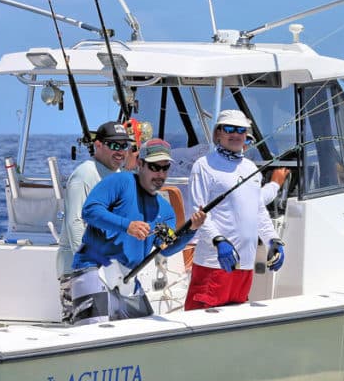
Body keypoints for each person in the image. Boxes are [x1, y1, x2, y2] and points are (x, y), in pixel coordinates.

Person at [68, 138, 206, 325]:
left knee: (148, 332)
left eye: (164, 168)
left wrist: (191, 230)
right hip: (93, 269)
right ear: (140, 164)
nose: (160, 174)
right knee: (93, 335)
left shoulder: (164, 210)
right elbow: (90, 211)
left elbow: (166, 247)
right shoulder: (120, 181)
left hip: (128, 278)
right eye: (154, 167)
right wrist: (127, 225)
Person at [185, 109, 285, 310]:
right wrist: (218, 241)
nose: (236, 134)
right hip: (213, 264)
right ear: (218, 133)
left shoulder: (250, 168)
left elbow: (258, 211)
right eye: (229, 128)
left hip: (245, 266)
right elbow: (196, 212)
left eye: (241, 130)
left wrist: (272, 240)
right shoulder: (204, 165)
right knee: (202, 326)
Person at [55, 121, 132, 277]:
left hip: (110, 271)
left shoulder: (119, 176)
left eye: (124, 146)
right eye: (114, 145)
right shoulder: (85, 175)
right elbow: (75, 224)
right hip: (82, 271)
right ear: (98, 144)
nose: (120, 151)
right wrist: (90, 269)